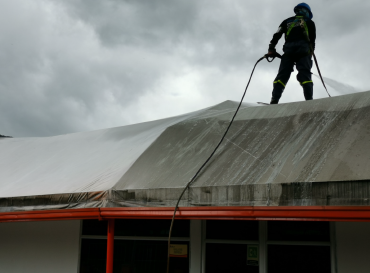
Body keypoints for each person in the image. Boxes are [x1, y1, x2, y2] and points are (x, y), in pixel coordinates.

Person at [268, 3, 316, 104]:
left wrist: (271, 48)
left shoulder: (286, 21)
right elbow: (312, 40)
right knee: (305, 75)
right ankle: (309, 101)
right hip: (304, 52)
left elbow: (277, 35)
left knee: (282, 76)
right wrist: (310, 53)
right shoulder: (310, 22)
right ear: (306, 11)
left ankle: (274, 100)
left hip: (288, 52)